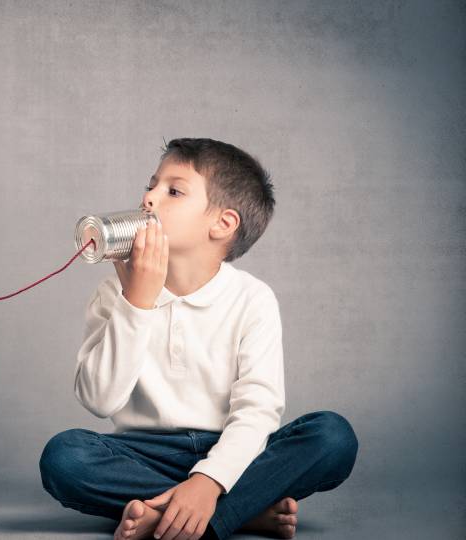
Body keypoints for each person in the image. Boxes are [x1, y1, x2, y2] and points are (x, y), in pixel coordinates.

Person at [39, 138, 358, 540]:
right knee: (65, 457)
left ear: (222, 224)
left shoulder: (251, 299)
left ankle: (195, 511)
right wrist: (136, 304)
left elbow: (258, 411)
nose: (148, 199)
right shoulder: (113, 294)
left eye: (173, 191)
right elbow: (99, 400)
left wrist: (209, 480)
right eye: (151, 185)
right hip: (143, 453)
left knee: (332, 436)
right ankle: (237, 512)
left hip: (232, 451)